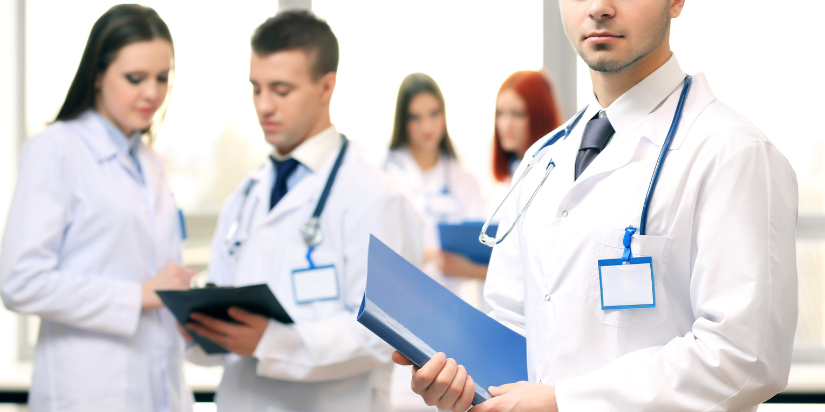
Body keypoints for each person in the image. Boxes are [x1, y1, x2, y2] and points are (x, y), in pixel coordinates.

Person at [394, 0, 798, 411]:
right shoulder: (542, 160)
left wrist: (563, 402)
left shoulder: (734, 154)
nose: (599, 7)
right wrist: (464, 380)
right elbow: (513, 320)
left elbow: (743, 358)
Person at [183, 11, 423, 412]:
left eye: (281, 90)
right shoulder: (245, 195)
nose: (264, 105)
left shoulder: (376, 197)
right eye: (256, 89)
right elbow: (224, 316)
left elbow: (384, 334)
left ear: (326, 86)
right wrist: (198, 327)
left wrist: (271, 342)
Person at [0, 5, 195, 412]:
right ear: (97, 75)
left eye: (162, 78)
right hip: (89, 391)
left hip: (161, 387)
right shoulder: (56, 150)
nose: (152, 93)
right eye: (135, 78)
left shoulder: (152, 164)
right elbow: (19, 281)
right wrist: (136, 297)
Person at [382, 73, 486, 412]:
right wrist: (429, 255)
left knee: (449, 395)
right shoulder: (384, 175)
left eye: (433, 113)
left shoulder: (463, 179)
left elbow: (485, 249)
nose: (426, 125)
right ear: (403, 122)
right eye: (415, 117)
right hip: (399, 311)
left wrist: (462, 263)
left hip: (451, 313)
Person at [492, 71, 563, 183]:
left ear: (540, 117)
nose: (505, 125)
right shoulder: (507, 175)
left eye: (518, 114)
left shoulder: (557, 175)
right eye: (500, 113)